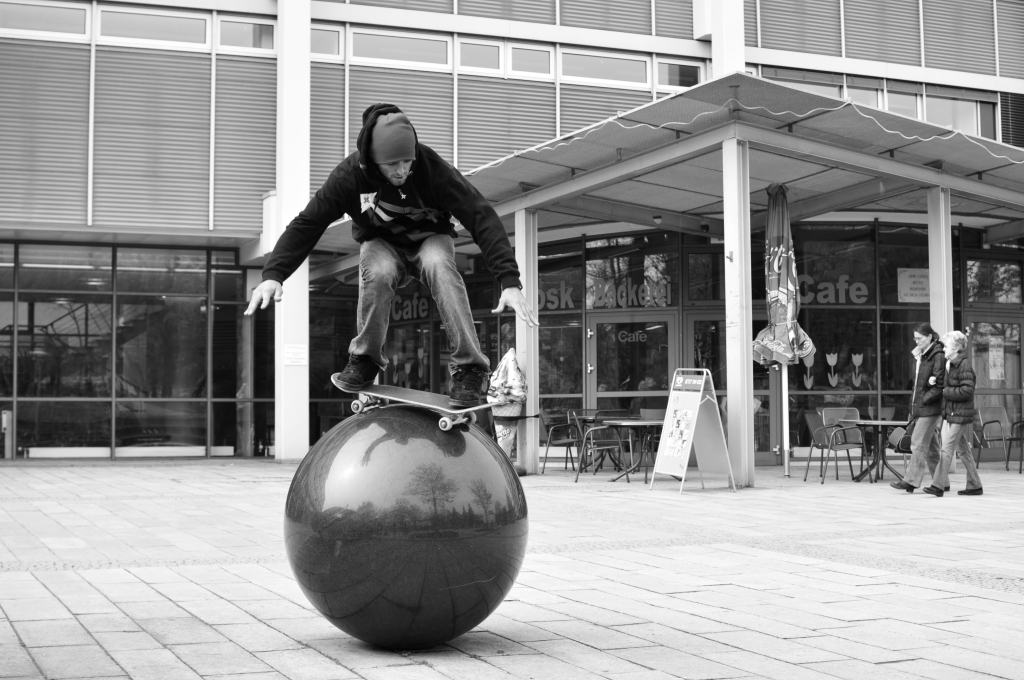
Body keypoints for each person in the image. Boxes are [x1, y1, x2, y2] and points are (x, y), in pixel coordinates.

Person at [245, 103, 538, 406]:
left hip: (429, 239)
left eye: (407, 161)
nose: (401, 170)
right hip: (381, 242)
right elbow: (309, 222)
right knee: (379, 271)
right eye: (392, 164)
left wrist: (509, 280)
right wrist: (274, 274)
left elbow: (480, 216)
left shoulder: (433, 169)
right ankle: (366, 358)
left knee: (439, 265)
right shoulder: (348, 177)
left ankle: (470, 367)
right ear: (373, 159)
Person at [923, 330, 983, 497]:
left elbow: (967, 390)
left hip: (960, 415)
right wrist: (934, 381)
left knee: (946, 449)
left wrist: (945, 391)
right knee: (963, 451)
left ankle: (938, 485)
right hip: (954, 413)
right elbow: (950, 384)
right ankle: (975, 485)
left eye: (946, 346)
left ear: (956, 348)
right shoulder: (950, 364)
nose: (943, 349)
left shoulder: (964, 364)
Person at [891, 323, 946, 493]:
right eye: (915, 338)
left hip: (930, 407)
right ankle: (942, 482)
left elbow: (939, 384)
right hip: (921, 406)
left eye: (920, 338)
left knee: (917, 443)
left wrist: (923, 400)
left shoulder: (937, 355)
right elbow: (917, 385)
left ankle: (911, 481)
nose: (916, 341)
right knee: (932, 448)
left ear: (929, 337)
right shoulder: (922, 355)